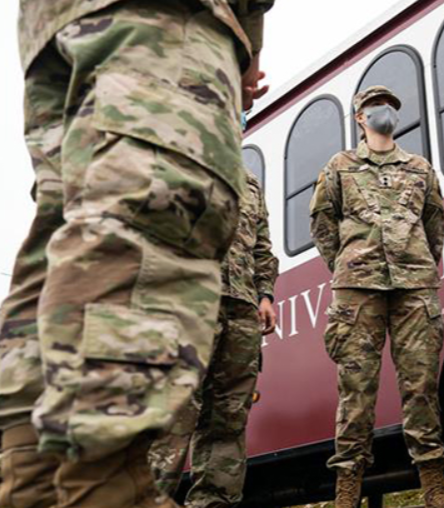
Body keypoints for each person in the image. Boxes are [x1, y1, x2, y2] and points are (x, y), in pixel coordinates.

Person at [0, 1, 274, 507]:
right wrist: (248, 44)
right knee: (157, 208)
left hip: (58, 21)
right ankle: (104, 490)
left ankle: (35, 489)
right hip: (162, 14)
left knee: (69, 240)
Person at [309, 86, 444, 508]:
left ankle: (434, 488)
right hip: (358, 290)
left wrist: (422, 268)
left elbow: (435, 225)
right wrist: (348, 266)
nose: (384, 112)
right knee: (355, 391)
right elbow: (322, 224)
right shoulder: (339, 167)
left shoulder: (419, 168)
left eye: (391, 106)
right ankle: (347, 494)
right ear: (360, 118)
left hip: (415, 288)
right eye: (376, 107)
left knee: (422, 387)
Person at [148, 170, 278, 508]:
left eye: (244, 113)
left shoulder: (250, 184)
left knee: (229, 418)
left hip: (242, 310)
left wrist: (265, 295)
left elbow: (262, 247)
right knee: (174, 414)